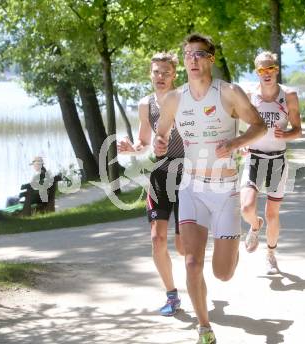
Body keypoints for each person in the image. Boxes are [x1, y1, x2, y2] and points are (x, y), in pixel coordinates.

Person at [154, 33, 266, 344]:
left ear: (211, 59)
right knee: (191, 262)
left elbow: (259, 126)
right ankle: (204, 328)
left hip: (225, 190)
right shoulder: (174, 99)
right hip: (191, 188)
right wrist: (159, 143)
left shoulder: (229, 93)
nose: (192, 59)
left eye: (199, 54)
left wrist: (235, 142)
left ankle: (240, 235)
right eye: (187, 54)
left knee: (223, 274)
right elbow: (160, 135)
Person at [117, 52, 185, 317]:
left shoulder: (184, 99)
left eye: (166, 72)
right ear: (150, 74)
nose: (160, 77)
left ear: (174, 75)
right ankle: (172, 296)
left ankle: (196, 282)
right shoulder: (146, 104)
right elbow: (143, 143)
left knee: (181, 246)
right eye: (156, 72)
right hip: (159, 176)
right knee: (157, 239)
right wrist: (130, 149)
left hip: (187, 175)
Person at [240, 51, 302, 275]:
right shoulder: (249, 95)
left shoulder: (290, 95)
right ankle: (255, 226)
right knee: (246, 207)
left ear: (277, 69)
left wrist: (284, 135)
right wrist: (242, 142)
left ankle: (271, 254)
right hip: (255, 157)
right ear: (257, 72)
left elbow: (298, 130)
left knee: (272, 214)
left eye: (270, 69)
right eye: (261, 70)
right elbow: (244, 126)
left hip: (277, 160)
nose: (266, 73)